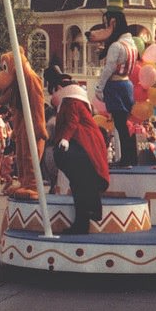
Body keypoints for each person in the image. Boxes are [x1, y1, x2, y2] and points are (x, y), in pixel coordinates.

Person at [45, 68, 110, 235]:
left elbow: (72, 121)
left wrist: (65, 139)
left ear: (59, 88)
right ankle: (83, 221)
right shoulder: (71, 100)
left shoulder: (70, 101)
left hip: (83, 145)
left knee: (81, 184)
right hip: (83, 145)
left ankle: (83, 222)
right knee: (79, 185)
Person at [87, 0, 139, 167]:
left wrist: (99, 88)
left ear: (113, 22)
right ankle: (132, 157)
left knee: (120, 125)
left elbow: (109, 69)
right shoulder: (131, 44)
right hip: (127, 85)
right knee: (126, 124)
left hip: (116, 86)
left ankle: (126, 159)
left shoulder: (117, 46)